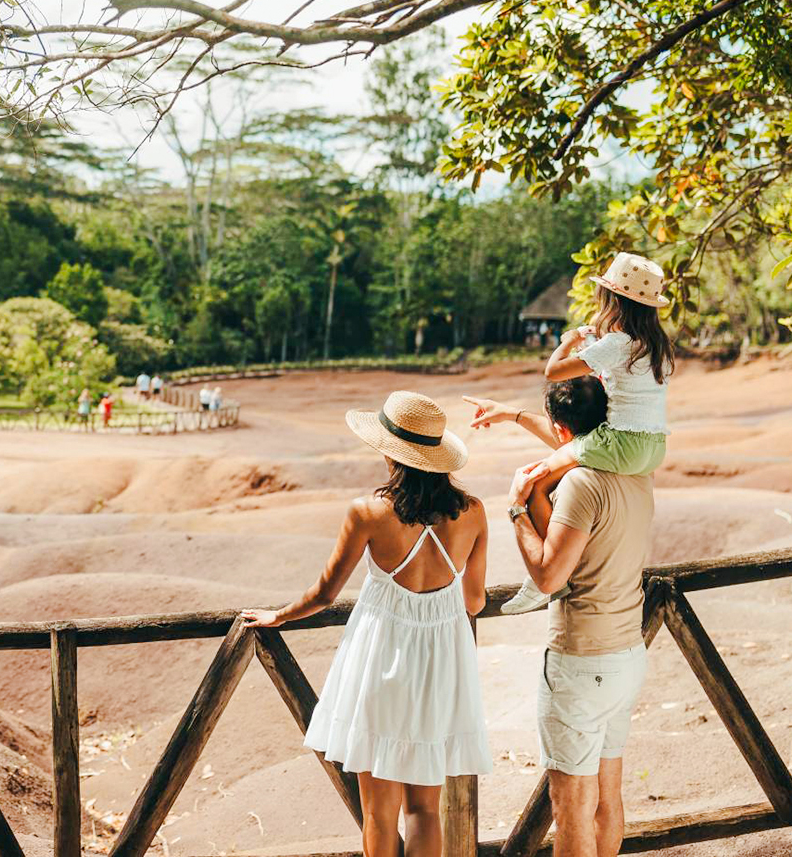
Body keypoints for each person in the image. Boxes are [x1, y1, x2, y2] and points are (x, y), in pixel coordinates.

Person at [242, 391, 490, 857]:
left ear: (388, 451)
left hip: (380, 657)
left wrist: (278, 615)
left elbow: (325, 594)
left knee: (379, 813)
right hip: (440, 664)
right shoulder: (472, 512)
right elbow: (473, 601)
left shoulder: (368, 512)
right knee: (425, 810)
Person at [465, 377, 652, 857]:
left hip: (580, 662)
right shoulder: (634, 471)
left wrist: (517, 512)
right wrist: (512, 414)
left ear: (560, 427)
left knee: (570, 808)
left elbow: (549, 577)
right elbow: (570, 448)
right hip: (627, 655)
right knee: (608, 797)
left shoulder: (583, 487)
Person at [502, 252, 673, 615]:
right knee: (561, 462)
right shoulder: (656, 346)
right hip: (653, 447)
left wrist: (568, 340)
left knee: (537, 479)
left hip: (621, 441)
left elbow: (554, 372)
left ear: (613, 301)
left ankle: (548, 576)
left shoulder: (618, 343)